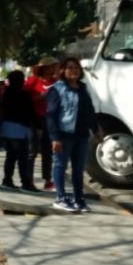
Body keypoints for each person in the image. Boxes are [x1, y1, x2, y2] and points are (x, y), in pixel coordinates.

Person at [46, 58, 100, 213]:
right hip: (64, 135)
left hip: (81, 135)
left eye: (76, 68)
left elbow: (89, 111)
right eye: (70, 68)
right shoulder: (57, 89)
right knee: (60, 166)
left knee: (78, 169)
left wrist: (96, 130)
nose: (74, 70)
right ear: (62, 70)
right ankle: (60, 198)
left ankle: (79, 199)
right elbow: (51, 115)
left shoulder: (83, 88)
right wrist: (55, 138)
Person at [0, 70, 39, 192]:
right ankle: (25, 182)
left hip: (7, 127)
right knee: (23, 157)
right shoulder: (24, 95)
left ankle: (7, 180)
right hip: (21, 129)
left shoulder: (6, 94)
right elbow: (30, 113)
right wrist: (35, 126)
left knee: (10, 156)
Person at [25, 57, 59, 190]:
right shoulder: (33, 81)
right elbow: (24, 99)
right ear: (43, 68)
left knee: (48, 151)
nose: (52, 69)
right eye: (50, 66)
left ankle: (47, 180)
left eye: (53, 66)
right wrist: (40, 97)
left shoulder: (56, 82)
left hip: (50, 120)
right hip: (34, 120)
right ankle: (29, 180)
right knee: (32, 151)